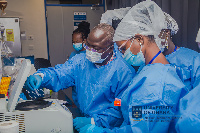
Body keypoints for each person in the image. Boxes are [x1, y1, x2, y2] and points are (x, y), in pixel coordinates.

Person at [78, 1, 185, 132]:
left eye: (123, 49)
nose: (122, 55)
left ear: (139, 39)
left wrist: (101, 131)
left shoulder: (157, 85)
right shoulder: (146, 71)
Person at [24, 23, 135, 130]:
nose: (90, 51)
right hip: (83, 119)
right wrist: (41, 76)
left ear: (110, 48)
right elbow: (61, 72)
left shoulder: (123, 72)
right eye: (88, 45)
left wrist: (94, 121)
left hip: (108, 127)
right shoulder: (81, 61)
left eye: (95, 48)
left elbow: (119, 105)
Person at [158, 13, 200, 93]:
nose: (151, 41)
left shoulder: (194, 59)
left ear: (167, 32)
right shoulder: (146, 62)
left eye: (154, 36)